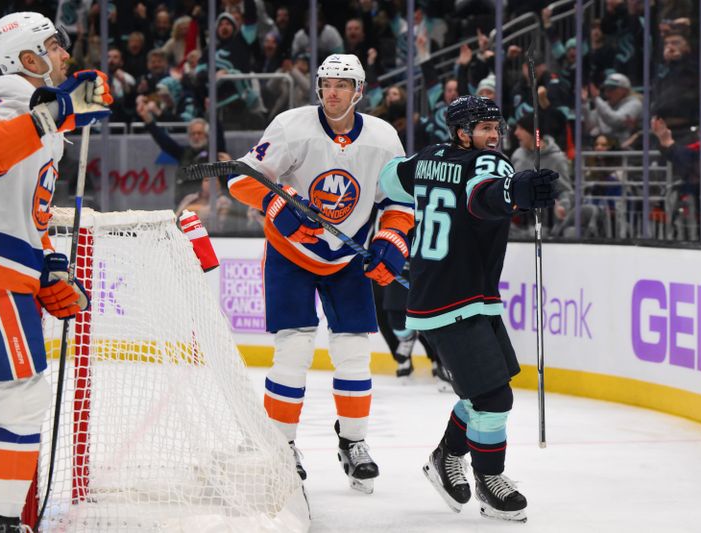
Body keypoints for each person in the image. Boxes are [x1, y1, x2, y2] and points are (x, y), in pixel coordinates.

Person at [0, 12, 111, 532]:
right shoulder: (12, 91)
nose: (66, 55)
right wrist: (61, 110)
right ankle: (5, 522)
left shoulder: (37, 118)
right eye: (55, 46)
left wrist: (51, 264)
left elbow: (27, 211)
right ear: (29, 59)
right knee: (23, 399)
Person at [227, 53, 413, 494]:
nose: (332, 92)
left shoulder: (384, 138)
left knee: (353, 352)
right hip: (290, 253)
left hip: (348, 258)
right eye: (327, 83)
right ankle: (281, 445)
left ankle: (354, 443)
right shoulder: (292, 126)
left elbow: (398, 203)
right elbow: (241, 178)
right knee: (293, 349)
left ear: (359, 91)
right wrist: (280, 202)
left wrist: (390, 243)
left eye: (342, 86)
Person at [379, 95, 559, 522]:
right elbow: (483, 197)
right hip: (454, 297)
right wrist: (515, 191)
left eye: (495, 126)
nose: (493, 134)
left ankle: (446, 457)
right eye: (483, 127)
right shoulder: (489, 164)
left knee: (486, 389)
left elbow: (390, 181)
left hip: (456, 293)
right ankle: (489, 480)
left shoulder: (426, 157)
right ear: (462, 132)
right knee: (493, 395)